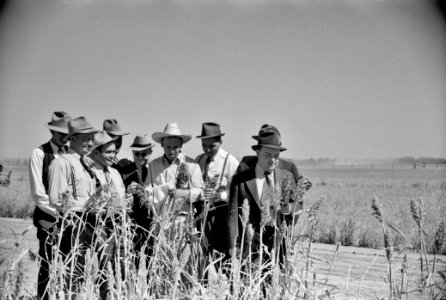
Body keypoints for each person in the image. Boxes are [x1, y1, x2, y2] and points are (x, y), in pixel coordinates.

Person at [227, 128, 297, 274]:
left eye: (276, 155)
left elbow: (298, 203)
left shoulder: (287, 176)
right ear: (257, 152)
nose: (272, 159)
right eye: (267, 155)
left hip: (278, 242)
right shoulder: (241, 179)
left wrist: (290, 208)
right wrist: (233, 247)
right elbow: (233, 215)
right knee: (250, 283)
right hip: (251, 241)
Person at [47, 116, 99, 293]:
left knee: (85, 273)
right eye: (85, 138)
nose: (90, 142)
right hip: (72, 223)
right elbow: (56, 199)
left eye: (92, 138)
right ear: (73, 138)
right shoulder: (61, 163)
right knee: (73, 274)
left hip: (88, 223)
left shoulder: (85, 164)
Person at [29, 111, 71, 300]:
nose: (65, 136)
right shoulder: (39, 153)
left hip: (70, 218)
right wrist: (59, 210)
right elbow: (38, 193)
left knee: (69, 263)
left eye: (67, 132)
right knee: (47, 262)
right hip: (48, 217)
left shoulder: (71, 155)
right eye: (61, 132)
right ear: (52, 132)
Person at [88, 131, 129, 300]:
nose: (113, 155)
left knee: (121, 266)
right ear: (96, 152)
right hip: (99, 227)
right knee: (104, 267)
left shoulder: (115, 173)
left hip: (118, 226)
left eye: (114, 152)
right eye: (108, 152)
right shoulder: (89, 173)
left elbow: (121, 196)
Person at [144, 122, 203, 226]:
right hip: (160, 219)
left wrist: (184, 194)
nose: (171, 151)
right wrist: (149, 200)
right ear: (162, 144)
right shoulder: (153, 165)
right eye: (168, 147)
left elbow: (200, 192)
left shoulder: (192, 165)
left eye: (175, 147)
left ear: (181, 145)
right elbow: (148, 189)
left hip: (183, 219)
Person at [194, 122, 239, 256]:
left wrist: (221, 195)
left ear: (221, 142)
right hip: (202, 215)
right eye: (204, 145)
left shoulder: (230, 161)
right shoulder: (199, 159)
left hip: (221, 216)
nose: (207, 149)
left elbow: (239, 191)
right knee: (203, 253)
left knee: (221, 255)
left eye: (212, 146)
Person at [123, 135, 156, 269]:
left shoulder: (154, 171)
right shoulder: (124, 172)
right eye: (137, 153)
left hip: (151, 221)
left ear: (150, 153)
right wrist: (127, 191)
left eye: (144, 153)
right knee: (134, 257)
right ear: (132, 153)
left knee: (151, 256)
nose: (141, 157)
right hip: (133, 222)